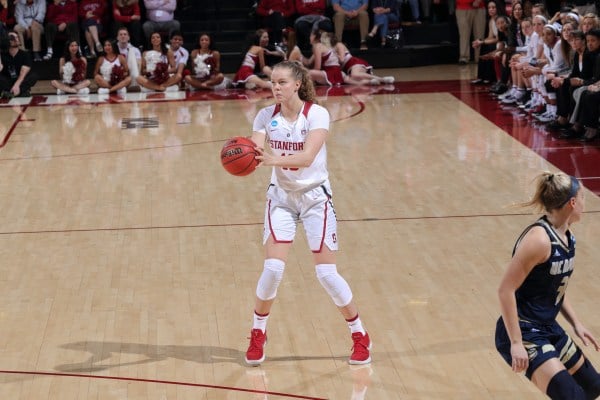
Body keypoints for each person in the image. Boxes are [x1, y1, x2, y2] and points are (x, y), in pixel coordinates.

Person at [244, 60, 371, 367]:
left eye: (282, 82)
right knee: (273, 269)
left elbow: (308, 156)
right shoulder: (265, 116)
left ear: (297, 84)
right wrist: (244, 154)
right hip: (282, 198)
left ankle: (360, 335)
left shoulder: (317, 114)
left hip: (316, 199)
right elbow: (255, 149)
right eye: (273, 82)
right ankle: (258, 333)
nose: (275, 87)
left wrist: (271, 159)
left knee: (326, 273)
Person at [495, 171, 600, 400]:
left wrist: (576, 324)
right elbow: (505, 290)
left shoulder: (567, 236)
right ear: (572, 202)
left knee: (593, 387)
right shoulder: (539, 240)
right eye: (583, 198)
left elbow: (555, 288)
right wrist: (515, 343)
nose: (585, 203)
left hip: (547, 326)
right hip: (524, 331)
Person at [0, 30, 37, 98]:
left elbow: (23, 73)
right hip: (8, 80)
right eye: (12, 38)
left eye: (17, 37)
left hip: (20, 80)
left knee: (33, 76)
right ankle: (20, 92)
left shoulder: (25, 54)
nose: (16, 39)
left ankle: (13, 92)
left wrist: (17, 85)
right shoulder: (2, 55)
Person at [455, 0, 486, 64]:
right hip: (462, 7)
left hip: (479, 7)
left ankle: (479, 56)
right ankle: (464, 57)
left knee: (479, 34)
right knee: (464, 34)